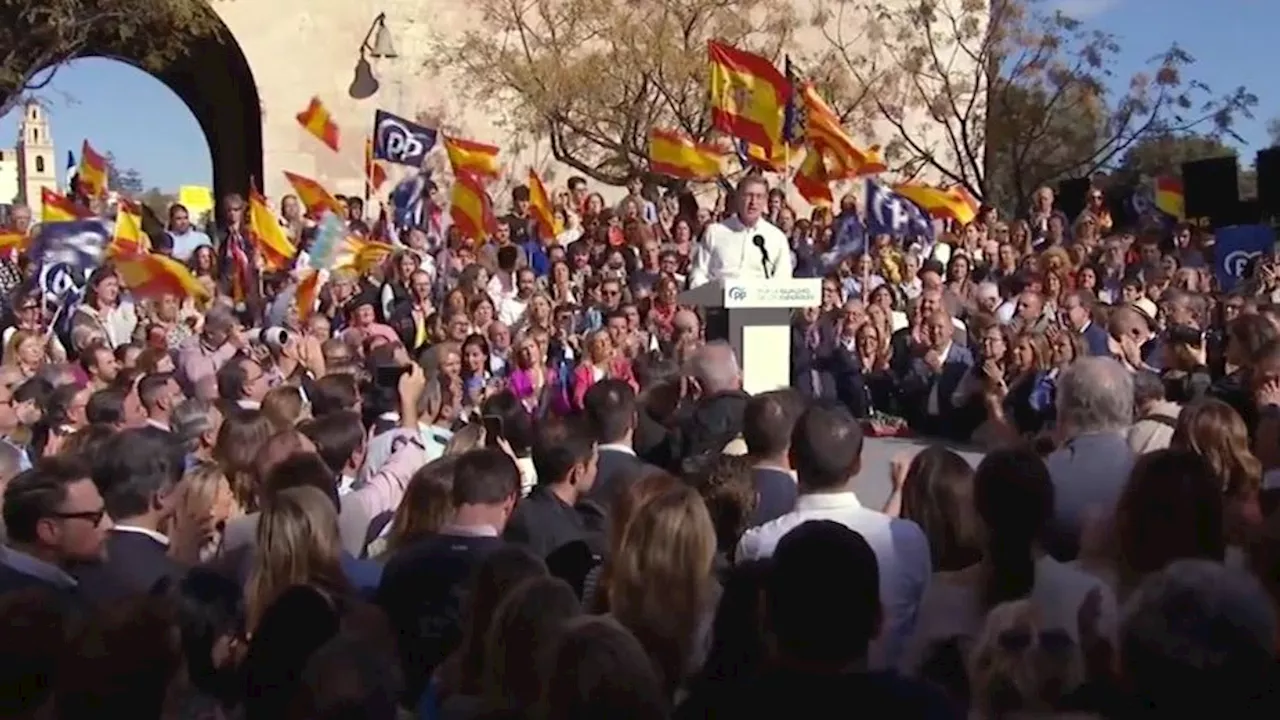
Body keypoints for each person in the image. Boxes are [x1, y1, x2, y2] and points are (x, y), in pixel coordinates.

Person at [689, 175, 792, 286]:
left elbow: (783, 279)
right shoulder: (715, 232)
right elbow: (699, 272)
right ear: (738, 197)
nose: (753, 202)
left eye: (759, 196)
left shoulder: (776, 238)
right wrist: (705, 295)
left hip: (758, 300)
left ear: (765, 201)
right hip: (718, 299)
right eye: (748, 195)